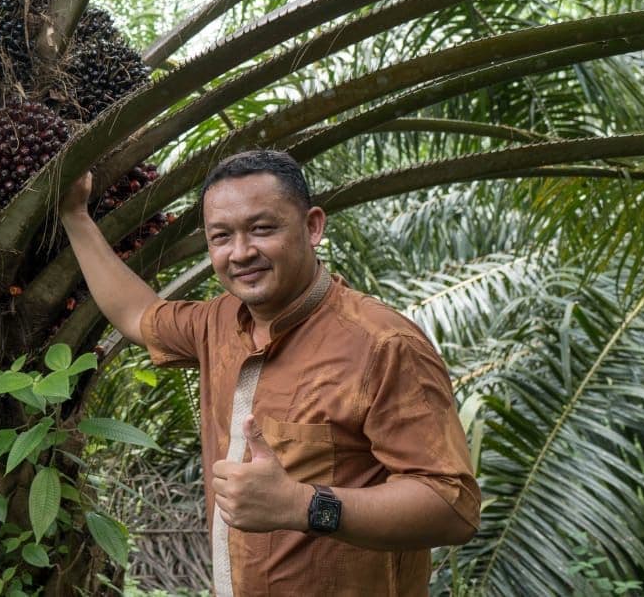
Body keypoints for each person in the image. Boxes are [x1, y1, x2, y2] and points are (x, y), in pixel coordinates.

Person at [58, 149, 479, 596]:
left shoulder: (383, 345)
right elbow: (137, 313)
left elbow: (452, 507)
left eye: (262, 228)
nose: (240, 253)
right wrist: (75, 215)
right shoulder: (216, 322)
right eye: (221, 237)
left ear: (312, 226)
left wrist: (302, 505)